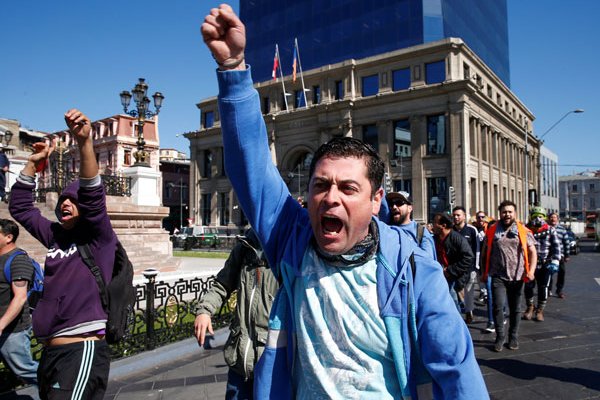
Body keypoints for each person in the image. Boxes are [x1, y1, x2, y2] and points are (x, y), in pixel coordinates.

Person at [201, 5, 488, 399]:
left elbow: (457, 371)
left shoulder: (413, 270)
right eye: (320, 185)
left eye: (348, 188)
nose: (329, 198)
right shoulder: (293, 241)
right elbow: (251, 170)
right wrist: (234, 69)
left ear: (376, 201)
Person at [9, 109, 116, 399]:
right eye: (64, 200)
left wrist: (84, 143)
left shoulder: (99, 238)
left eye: (74, 201)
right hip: (51, 353)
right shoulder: (56, 237)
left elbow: (93, 195)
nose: (67, 204)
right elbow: (20, 208)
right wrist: (32, 164)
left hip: (81, 350)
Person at [194, 229, 279, 399]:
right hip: (239, 359)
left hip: (270, 364)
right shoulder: (243, 248)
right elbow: (222, 285)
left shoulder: (286, 251)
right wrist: (205, 310)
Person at [481, 200, 537, 352]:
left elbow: (532, 252)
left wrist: (531, 271)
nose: (507, 214)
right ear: (500, 213)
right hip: (497, 275)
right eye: (504, 212)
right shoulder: (492, 230)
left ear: (515, 213)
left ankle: (513, 337)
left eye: (510, 212)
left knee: (515, 308)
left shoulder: (522, 231)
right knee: (498, 306)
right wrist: (484, 273)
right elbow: (485, 251)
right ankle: (500, 337)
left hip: (517, 276)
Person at [0, 219, 39, 386]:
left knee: (25, 369)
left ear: (8, 237)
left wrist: (1, 325)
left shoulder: (18, 260)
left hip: (12, 330)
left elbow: (20, 297)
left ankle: (60, 389)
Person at [523, 206, 561, 322]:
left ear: (544, 217)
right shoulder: (525, 229)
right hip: (529, 264)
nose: (538, 219)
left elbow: (556, 246)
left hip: (545, 263)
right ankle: (530, 307)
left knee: (543, 287)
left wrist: (556, 260)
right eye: (535, 216)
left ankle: (540, 310)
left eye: (540, 216)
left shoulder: (550, 229)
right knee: (528, 287)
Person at [432, 213, 473, 312]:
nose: (432, 225)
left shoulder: (457, 239)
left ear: (443, 226)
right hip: (441, 278)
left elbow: (468, 257)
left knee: (453, 305)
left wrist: (450, 270)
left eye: (435, 223)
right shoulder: (435, 238)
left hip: (454, 278)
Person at [380, 191, 436, 259]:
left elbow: (429, 261)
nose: (394, 207)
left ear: (410, 208)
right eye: (391, 204)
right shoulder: (386, 229)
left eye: (399, 203)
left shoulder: (420, 232)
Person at [452, 207, 480, 324]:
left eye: (458, 215)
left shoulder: (472, 230)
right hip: (455, 267)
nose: (456, 217)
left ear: (464, 216)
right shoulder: (451, 230)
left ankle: (469, 311)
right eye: (454, 215)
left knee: (469, 291)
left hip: (469, 267)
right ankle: (459, 311)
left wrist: (476, 266)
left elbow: (477, 248)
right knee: (456, 290)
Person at [472, 211, 495, 333]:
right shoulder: (476, 230)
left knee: (499, 296)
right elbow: (481, 254)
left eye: (482, 217)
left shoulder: (489, 230)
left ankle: (501, 312)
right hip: (486, 267)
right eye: (478, 217)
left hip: (500, 271)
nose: (480, 219)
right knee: (491, 294)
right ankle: (491, 321)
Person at [547, 212, 570, 299]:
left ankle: (559, 290)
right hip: (549, 255)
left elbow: (566, 242)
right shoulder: (546, 229)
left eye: (555, 217)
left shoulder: (562, 229)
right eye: (551, 217)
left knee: (561, 272)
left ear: (557, 219)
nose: (553, 219)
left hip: (560, 255)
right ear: (549, 219)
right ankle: (549, 289)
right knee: (549, 273)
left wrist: (567, 255)